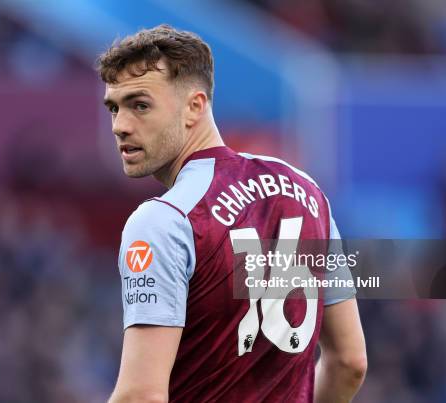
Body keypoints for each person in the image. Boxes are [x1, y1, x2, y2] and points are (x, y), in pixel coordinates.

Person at [97, 24, 367, 403]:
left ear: (195, 106)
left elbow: (141, 395)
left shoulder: (165, 220)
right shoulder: (308, 193)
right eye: (114, 107)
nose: (120, 126)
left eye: (140, 105)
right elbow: (350, 362)